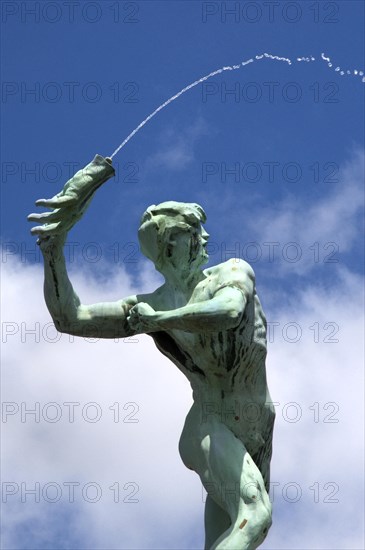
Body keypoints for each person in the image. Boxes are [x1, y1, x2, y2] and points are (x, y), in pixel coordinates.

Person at [28, 155, 275, 550]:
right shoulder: (147, 307)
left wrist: (159, 318)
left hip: (259, 426)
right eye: (193, 230)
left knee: (230, 536)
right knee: (255, 514)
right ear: (168, 243)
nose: (205, 238)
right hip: (210, 424)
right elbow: (70, 318)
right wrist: (53, 249)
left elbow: (228, 311)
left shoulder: (229, 273)